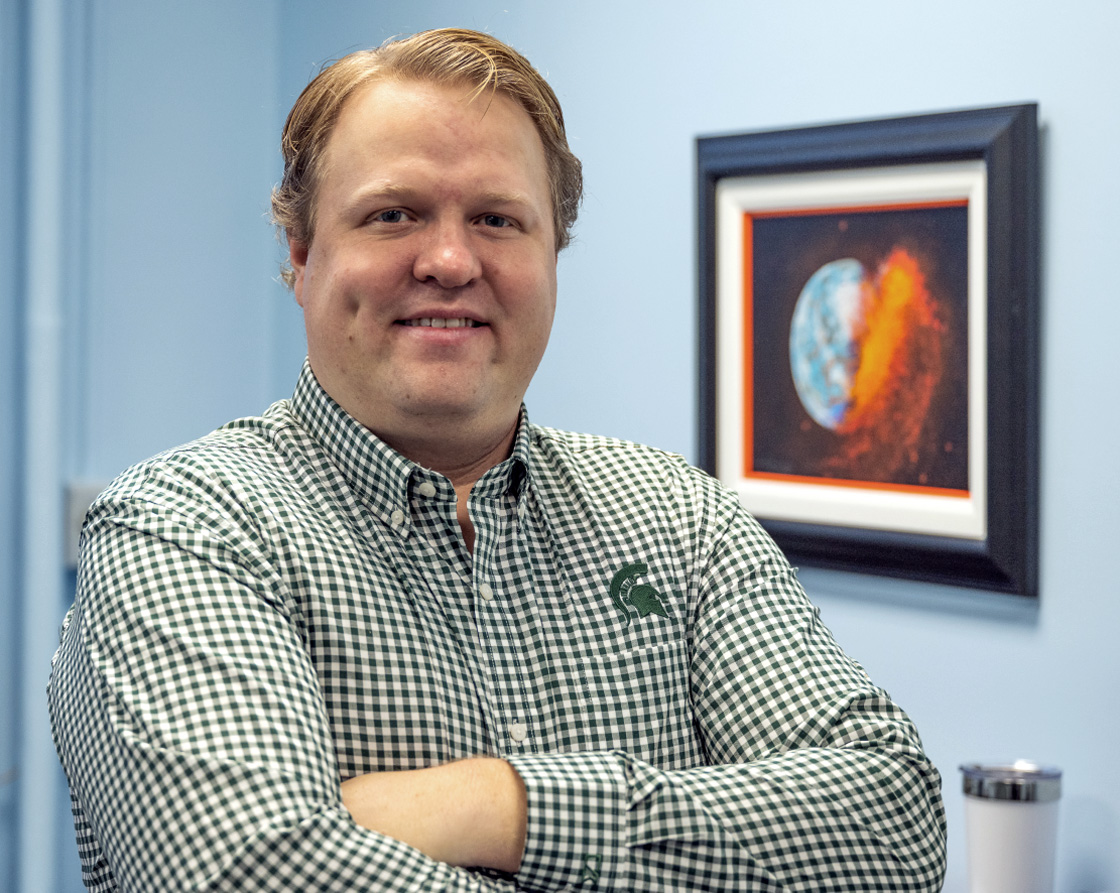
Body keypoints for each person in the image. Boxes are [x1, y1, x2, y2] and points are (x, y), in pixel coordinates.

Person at [48, 27, 947, 892]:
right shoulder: (184, 530)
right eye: (393, 214)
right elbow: (252, 870)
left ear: (553, 252)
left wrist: (492, 804)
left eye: (497, 219)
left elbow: (894, 827)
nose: (448, 259)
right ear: (300, 253)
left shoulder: (678, 519)